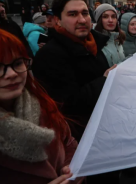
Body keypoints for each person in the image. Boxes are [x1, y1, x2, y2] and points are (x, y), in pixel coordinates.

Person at [0, 29, 83, 184]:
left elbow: (68, 142)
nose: (11, 74)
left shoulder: (41, 103)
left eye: (17, 63)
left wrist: (71, 169)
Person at [32, 0, 116, 141]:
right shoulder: (49, 56)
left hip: (105, 126)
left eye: (85, 13)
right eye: (73, 14)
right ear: (58, 20)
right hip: (79, 138)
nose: (82, 20)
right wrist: (105, 80)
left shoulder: (94, 44)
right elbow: (65, 105)